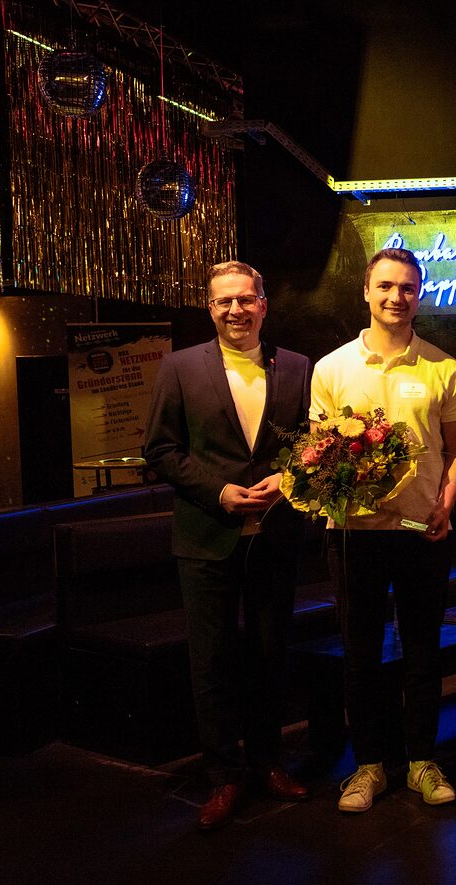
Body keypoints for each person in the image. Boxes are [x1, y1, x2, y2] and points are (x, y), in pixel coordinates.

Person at [144, 261, 313, 830]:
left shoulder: (298, 367)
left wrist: (288, 479)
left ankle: (268, 763)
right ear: (210, 308)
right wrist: (217, 492)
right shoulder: (179, 367)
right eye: (224, 302)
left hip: (275, 536)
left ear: (264, 304)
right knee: (211, 661)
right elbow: (160, 450)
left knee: (270, 654)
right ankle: (223, 776)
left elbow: (313, 442)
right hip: (205, 535)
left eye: (245, 299)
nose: (235, 310)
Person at [310, 246, 456, 813]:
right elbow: (319, 452)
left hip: (421, 530)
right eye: (385, 286)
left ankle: (423, 760)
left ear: (419, 295)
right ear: (366, 291)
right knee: (360, 652)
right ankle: (369, 766)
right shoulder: (331, 368)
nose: (395, 297)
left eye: (406, 287)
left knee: (424, 649)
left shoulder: (443, 367)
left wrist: (445, 504)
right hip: (353, 531)